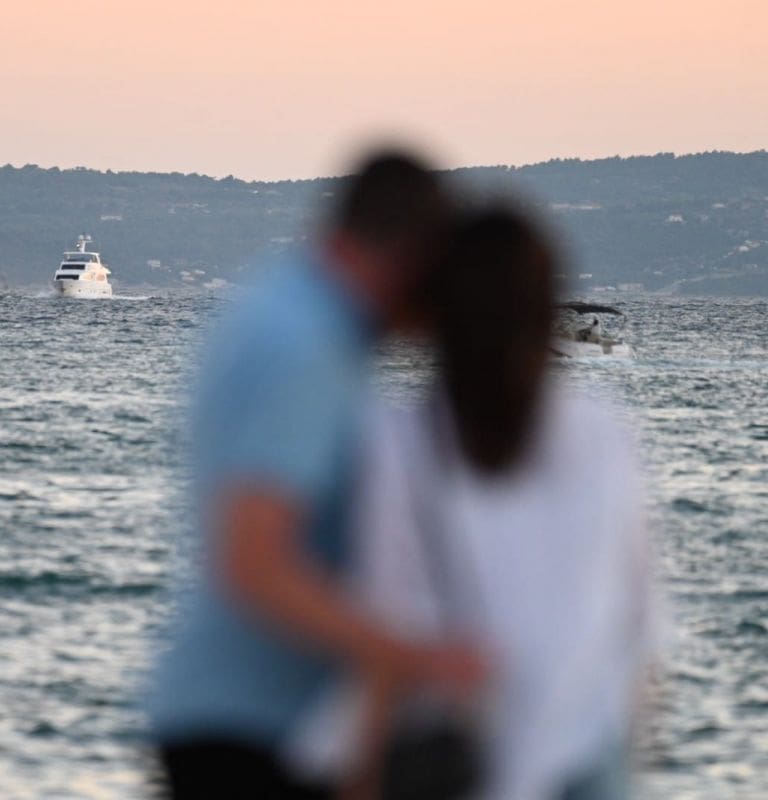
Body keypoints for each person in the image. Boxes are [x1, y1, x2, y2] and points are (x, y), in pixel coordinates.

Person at [144, 152, 487, 799]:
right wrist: (412, 657)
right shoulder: (309, 346)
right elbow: (254, 560)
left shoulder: (276, 300)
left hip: (225, 713)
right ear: (411, 258)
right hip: (253, 732)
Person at [318, 208, 661, 799]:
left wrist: (361, 773)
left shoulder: (397, 438)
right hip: (585, 748)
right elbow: (637, 623)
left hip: (459, 745)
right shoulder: (603, 432)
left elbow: (384, 623)